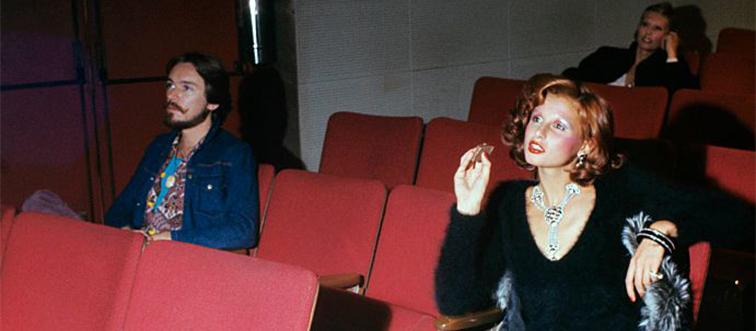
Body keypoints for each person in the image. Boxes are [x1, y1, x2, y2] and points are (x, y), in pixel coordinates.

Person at [434, 74, 752, 330]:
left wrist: (664, 230)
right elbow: (456, 303)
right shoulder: (508, 201)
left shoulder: (621, 187)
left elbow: (737, 218)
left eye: (558, 125)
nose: (539, 131)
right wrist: (468, 210)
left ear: (586, 143)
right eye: (536, 118)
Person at [105, 52, 259, 250]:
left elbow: (243, 232)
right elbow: (118, 210)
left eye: (186, 88)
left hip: (190, 262)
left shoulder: (233, 154)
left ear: (212, 102)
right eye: (170, 85)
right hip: (142, 255)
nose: (172, 95)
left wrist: (171, 238)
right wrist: (127, 233)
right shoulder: (159, 147)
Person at [563, 2, 696, 92]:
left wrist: (672, 54)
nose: (648, 32)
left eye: (657, 29)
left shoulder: (670, 68)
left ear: (669, 35)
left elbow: (682, 97)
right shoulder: (608, 56)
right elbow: (575, 76)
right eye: (645, 25)